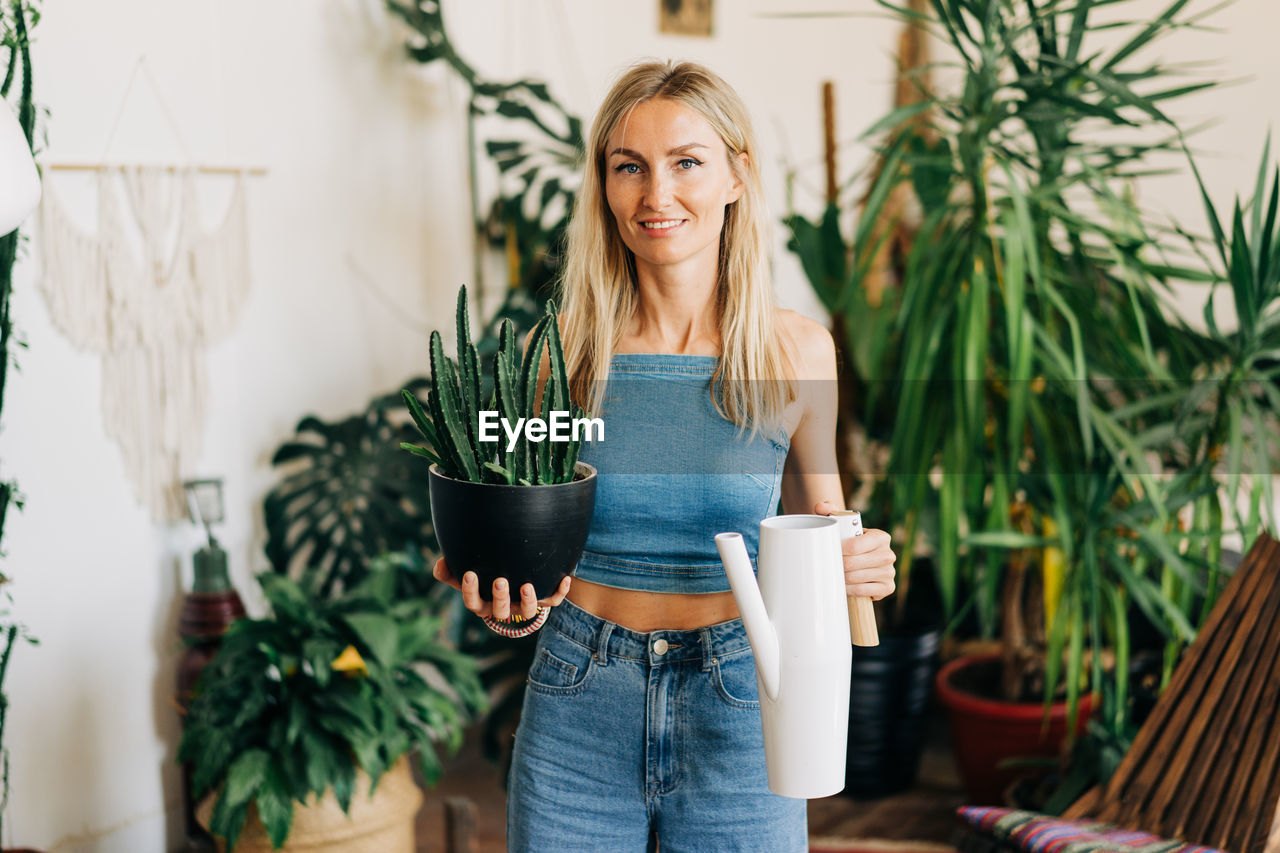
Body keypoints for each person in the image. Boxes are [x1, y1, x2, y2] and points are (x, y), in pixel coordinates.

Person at [433, 60, 897, 852]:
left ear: (736, 176)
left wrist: (866, 563)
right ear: (604, 186)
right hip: (581, 693)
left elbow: (829, 527)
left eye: (686, 162)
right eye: (629, 167)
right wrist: (503, 600)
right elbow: (517, 540)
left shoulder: (795, 351)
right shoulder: (561, 363)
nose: (656, 194)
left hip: (744, 699)